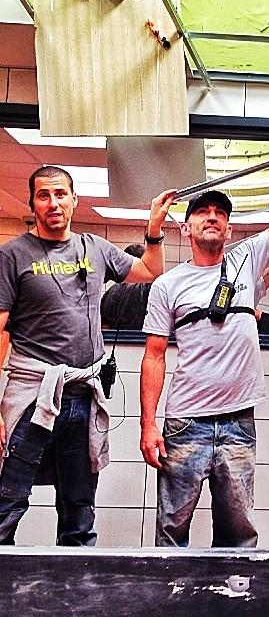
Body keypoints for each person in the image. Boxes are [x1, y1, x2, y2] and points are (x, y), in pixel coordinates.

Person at [140, 121, 269, 548]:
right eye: (202, 213)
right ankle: (171, 594)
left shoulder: (246, 259)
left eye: (220, 214)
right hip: (185, 423)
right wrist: (148, 424)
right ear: (185, 228)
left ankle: (232, 592)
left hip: (238, 422)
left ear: (229, 230)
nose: (212, 217)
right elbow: (153, 355)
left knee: (238, 534)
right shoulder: (168, 285)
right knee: (171, 532)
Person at [0, 165, 176, 546]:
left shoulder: (94, 247)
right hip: (33, 395)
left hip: (82, 397)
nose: (53, 203)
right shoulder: (12, 255)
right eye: (43, 195)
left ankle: (75, 584)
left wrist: (154, 228)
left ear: (74, 199)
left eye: (60, 194)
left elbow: (149, 270)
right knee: (6, 504)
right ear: (32, 203)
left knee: (79, 512)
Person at [101, 243, 151, 331]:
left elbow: (103, 326)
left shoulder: (111, 292)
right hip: (145, 338)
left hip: (115, 339)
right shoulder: (150, 288)